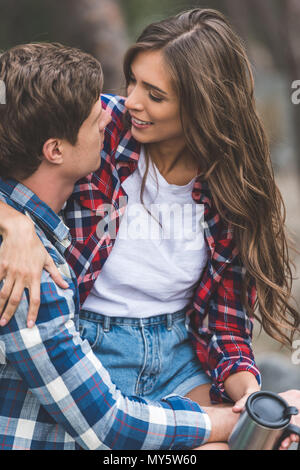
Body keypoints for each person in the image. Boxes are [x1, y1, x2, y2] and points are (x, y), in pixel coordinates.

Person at [0, 8, 299, 414]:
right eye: (133, 81)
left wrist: (247, 394)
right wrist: (12, 222)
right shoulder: (99, 127)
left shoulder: (234, 184)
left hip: (180, 358)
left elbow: (226, 325)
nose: (132, 101)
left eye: (155, 95)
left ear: (202, 106)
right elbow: (18, 156)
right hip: (93, 348)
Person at [0, 41, 242, 450]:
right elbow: (112, 428)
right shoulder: (29, 271)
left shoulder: (41, 235)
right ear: (55, 150)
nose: (115, 118)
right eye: (98, 119)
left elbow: (228, 316)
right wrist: (225, 423)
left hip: (161, 371)